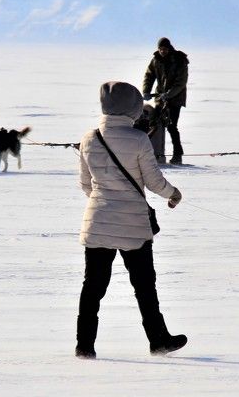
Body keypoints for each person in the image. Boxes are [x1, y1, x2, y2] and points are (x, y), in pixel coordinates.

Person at [75, 81, 186, 359]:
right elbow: (153, 181)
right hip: (133, 225)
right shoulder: (139, 140)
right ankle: (158, 339)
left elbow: (86, 185)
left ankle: (84, 345)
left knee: (93, 286)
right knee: (144, 286)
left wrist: (104, 199)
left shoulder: (89, 138)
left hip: (98, 221)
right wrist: (173, 194)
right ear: (132, 108)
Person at [142, 37, 189, 165]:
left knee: (171, 126)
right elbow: (149, 75)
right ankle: (150, 153)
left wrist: (169, 94)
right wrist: (146, 91)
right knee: (154, 123)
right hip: (160, 98)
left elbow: (181, 82)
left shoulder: (179, 60)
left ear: (169, 48)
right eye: (160, 49)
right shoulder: (156, 60)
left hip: (175, 99)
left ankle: (177, 155)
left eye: (164, 49)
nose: (162, 51)